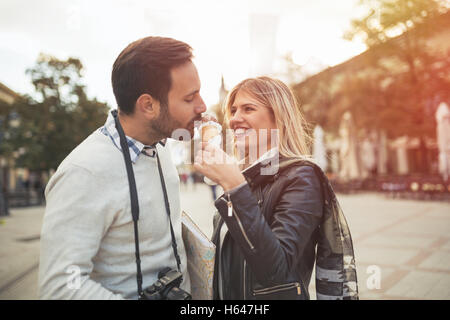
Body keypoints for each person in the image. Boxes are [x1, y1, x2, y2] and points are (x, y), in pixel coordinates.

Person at [39, 36, 207, 299]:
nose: (203, 106)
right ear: (148, 105)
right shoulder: (83, 172)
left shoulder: (159, 147)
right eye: (190, 98)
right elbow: (60, 286)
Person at [194, 76, 358, 300]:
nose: (234, 119)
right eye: (233, 111)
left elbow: (275, 271)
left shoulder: (301, 176)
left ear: (278, 117)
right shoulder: (246, 177)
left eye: (248, 109)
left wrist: (234, 187)